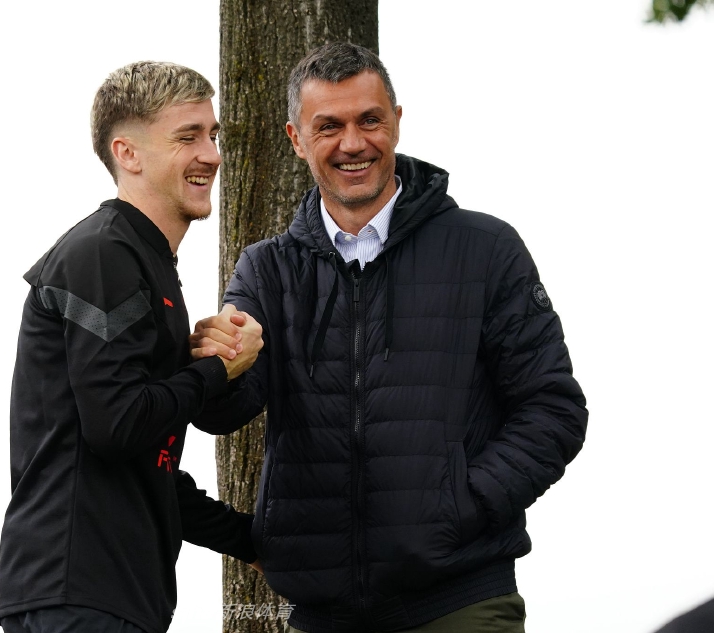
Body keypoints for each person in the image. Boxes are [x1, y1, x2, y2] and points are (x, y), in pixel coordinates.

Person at [191, 42, 588, 632]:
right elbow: (225, 412)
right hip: (321, 615)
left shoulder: (486, 249)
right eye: (329, 126)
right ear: (296, 139)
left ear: (397, 121)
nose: (353, 143)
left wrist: (463, 504)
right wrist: (221, 360)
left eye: (369, 120)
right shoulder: (266, 270)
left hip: (459, 601)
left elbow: (553, 409)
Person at [0, 61, 263, 633]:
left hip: (114, 598)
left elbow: (148, 465)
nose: (212, 155)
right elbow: (117, 425)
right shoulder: (103, 254)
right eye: (187, 137)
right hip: (76, 595)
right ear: (128, 153)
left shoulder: (145, 262)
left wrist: (252, 540)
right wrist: (218, 370)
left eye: (212, 135)